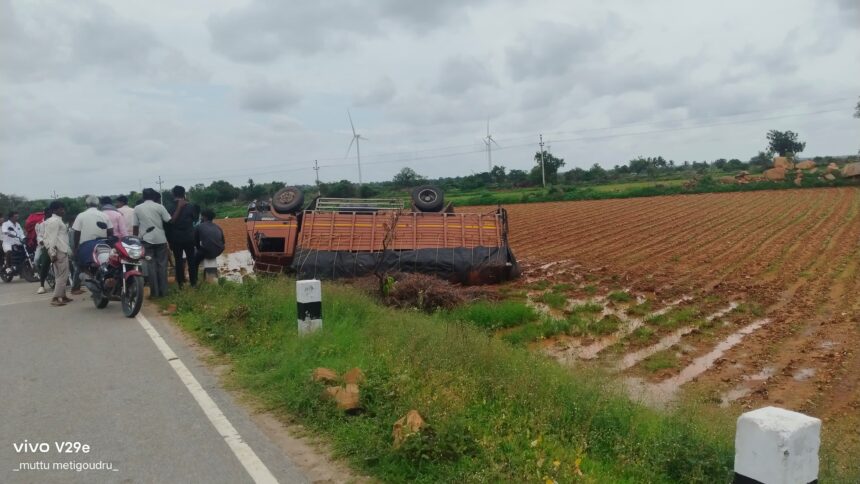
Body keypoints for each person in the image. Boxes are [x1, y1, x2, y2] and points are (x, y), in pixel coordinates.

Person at [70, 195, 113, 294]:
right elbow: (110, 231)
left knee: (80, 266)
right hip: (103, 245)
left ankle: (86, 282)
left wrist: (76, 248)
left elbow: (76, 233)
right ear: (98, 204)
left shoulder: (81, 215)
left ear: (86, 205)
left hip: (86, 246)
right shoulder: (104, 215)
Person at [133, 188, 171, 298]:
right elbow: (168, 220)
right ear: (154, 197)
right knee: (162, 265)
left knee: (151, 266)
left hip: (146, 240)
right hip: (160, 240)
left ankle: (155, 293)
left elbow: (135, 226)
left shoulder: (137, 208)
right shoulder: (160, 207)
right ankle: (164, 293)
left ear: (143, 197)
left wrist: (136, 240)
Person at [169, 185, 199, 288]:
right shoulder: (191, 206)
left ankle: (180, 283)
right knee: (191, 259)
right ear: (184, 193)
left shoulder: (170, 206)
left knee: (178, 260)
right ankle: (194, 283)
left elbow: (169, 223)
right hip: (189, 237)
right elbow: (195, 219)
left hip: (176, 237)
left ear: (173, 194)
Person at [43, 201, 72, 306]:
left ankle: (63, 296)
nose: (63, 210)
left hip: (61, 249)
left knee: (61, 274)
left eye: (63, 208)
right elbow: (51, 239)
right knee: (62, 276)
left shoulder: (56, 220)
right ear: (54, 210)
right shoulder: (54, 221)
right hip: (59, 250)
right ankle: (55, 298)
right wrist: (52, 253)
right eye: (60, 209)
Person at [34, 206, 52, 294]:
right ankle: (42, 285)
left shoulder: (56, 221)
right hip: (44, 245)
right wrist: (42, 242)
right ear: (45, 213)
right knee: (41, 261)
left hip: (56, 244)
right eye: (48, 212)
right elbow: (39, 236)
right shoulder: (40, 224)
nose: (50, 214)